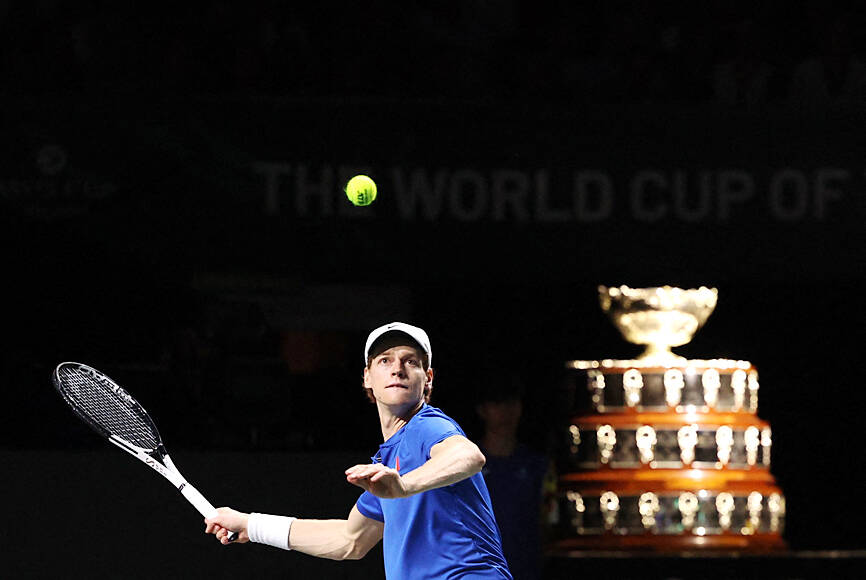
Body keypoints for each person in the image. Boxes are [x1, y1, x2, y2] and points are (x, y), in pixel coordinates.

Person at [205, 321, 512, 579]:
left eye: (411, 361)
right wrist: (251, 525)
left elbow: (468, 456)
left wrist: (403, 485)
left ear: (427, 380)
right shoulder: (388, 461)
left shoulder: (426, 426)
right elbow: (349, 541)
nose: (398, 369)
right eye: (385, 360)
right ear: (367, 377)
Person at [475, 375, 553, 580]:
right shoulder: (466, 465)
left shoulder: (539, 465)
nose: (505, 411)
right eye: (496, 403)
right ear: (482, 410)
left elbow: (550, 522)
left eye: (511, 403)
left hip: (528, 570)